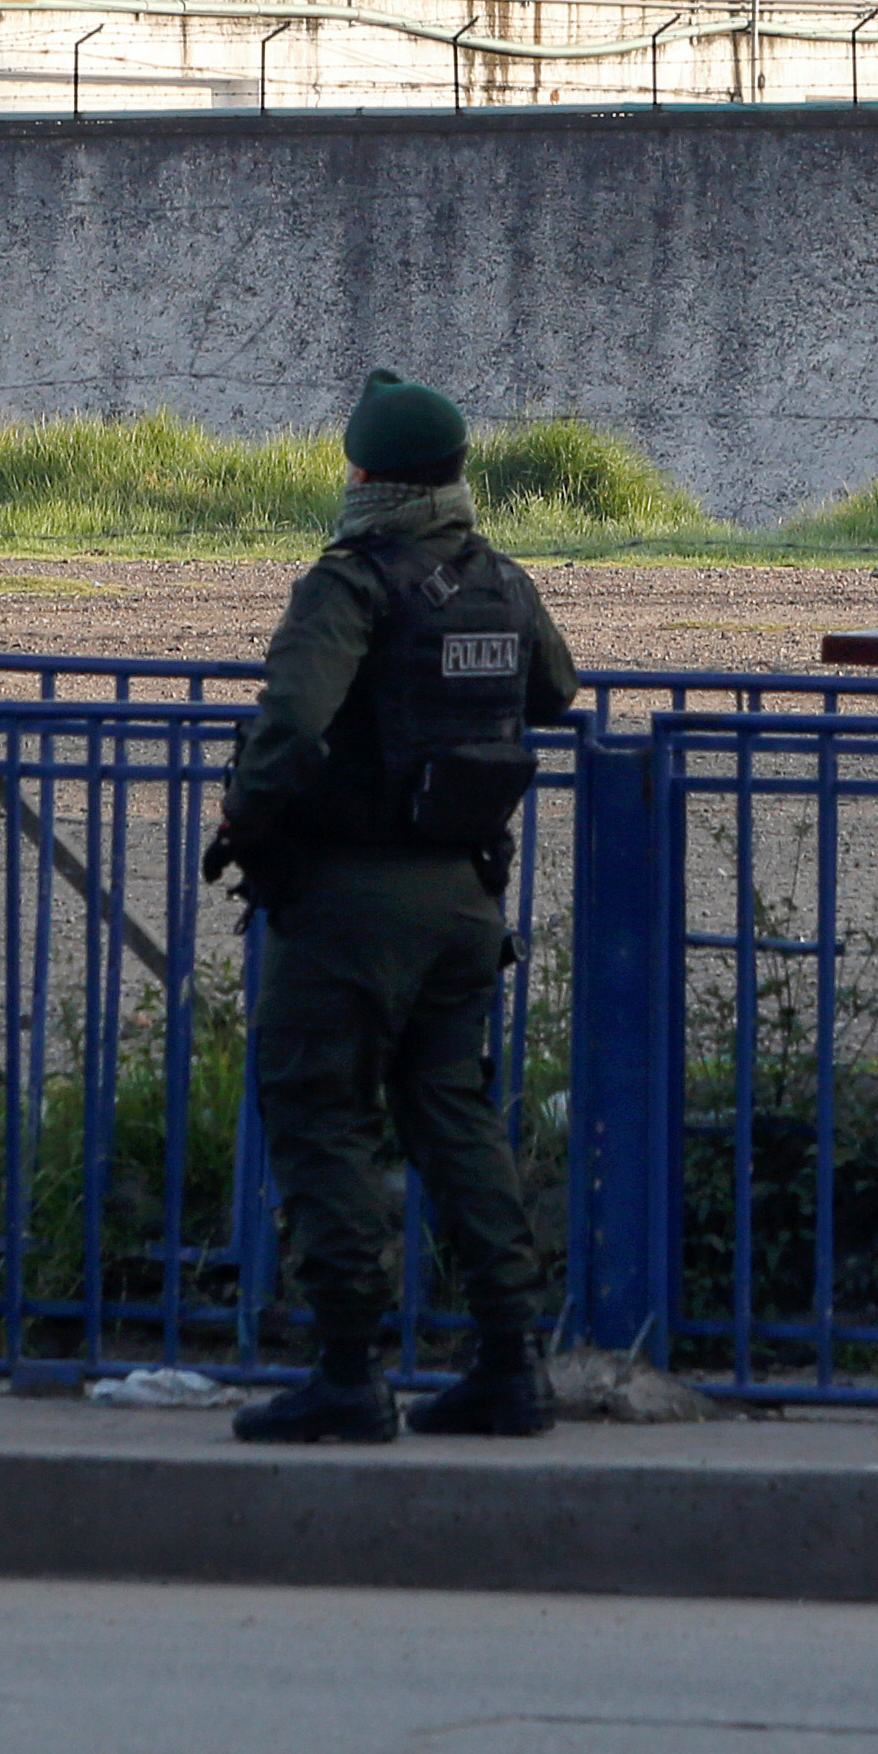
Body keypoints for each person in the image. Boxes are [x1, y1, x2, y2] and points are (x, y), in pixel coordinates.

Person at [209, 368, 575, 1447]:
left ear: (365, 474)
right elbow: (551, 690)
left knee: (324, 1116)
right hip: (464, 898)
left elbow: (291, 725)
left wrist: (247, 821)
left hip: (349, 902)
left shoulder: (350, 582)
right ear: (456, 475)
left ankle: (346, 1371)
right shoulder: (502, 580)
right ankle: (512, 1366)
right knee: (453, 1119)